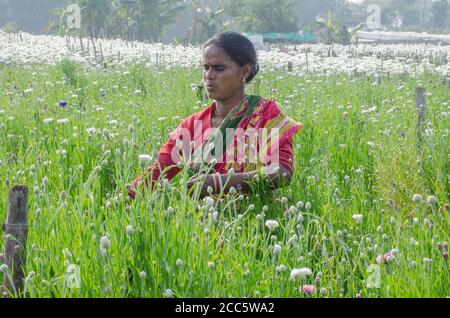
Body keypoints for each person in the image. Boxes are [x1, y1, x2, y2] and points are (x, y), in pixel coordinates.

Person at [128, 32, 303, 199]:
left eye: (219, 68)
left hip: (257, 223)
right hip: (203, 226)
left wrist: (219, 182)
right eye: (206, 68)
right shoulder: (193, 125)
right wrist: (116, 204)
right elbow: (156, 174)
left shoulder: (265, 113)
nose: (209, 76)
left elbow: (281, 173)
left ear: (245, 71)